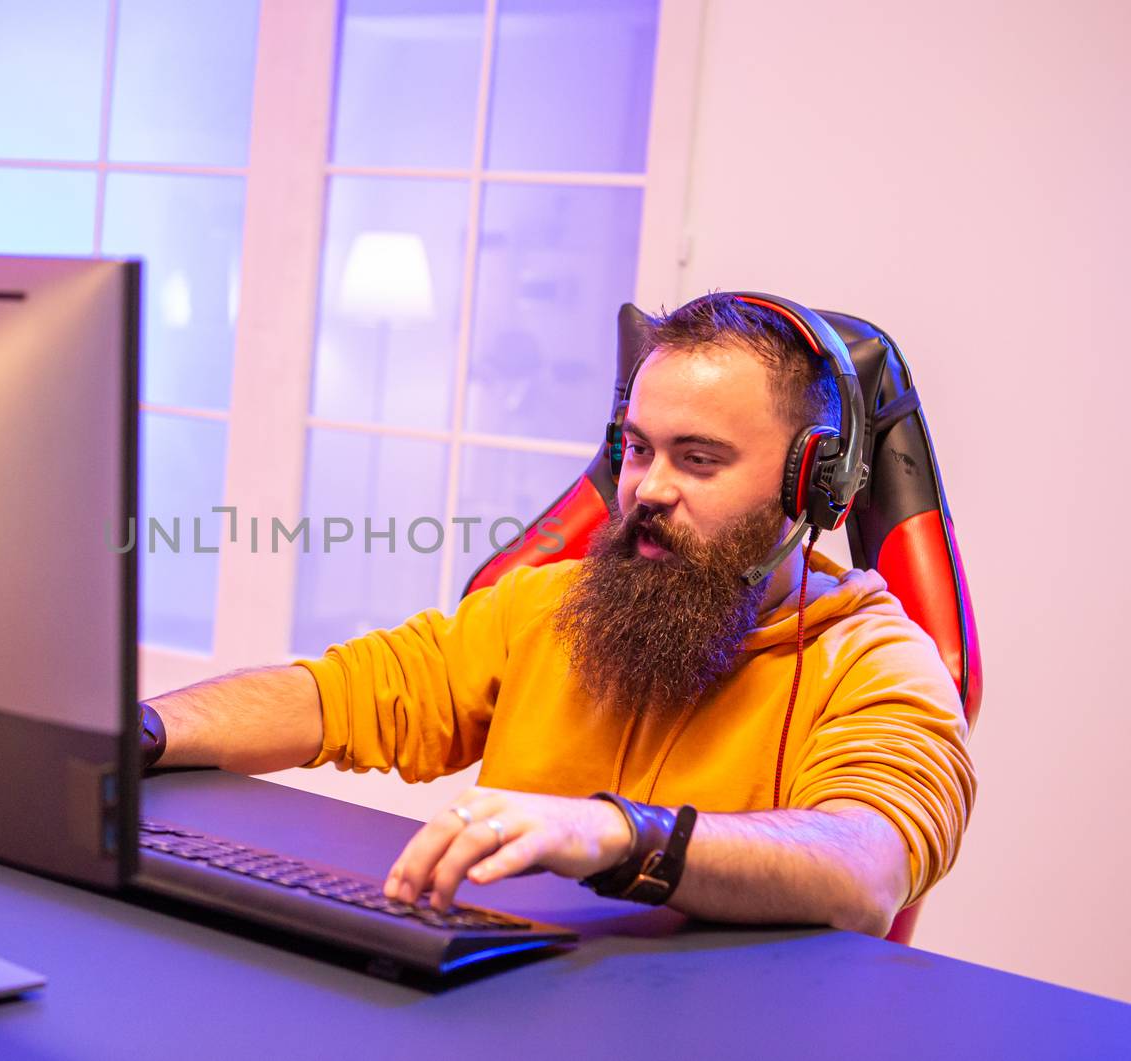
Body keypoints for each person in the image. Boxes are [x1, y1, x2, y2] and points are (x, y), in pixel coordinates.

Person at [142, 293, 975, 938]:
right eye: (639, 448)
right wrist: (141, 728)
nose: (646, 489)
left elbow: (865, 867)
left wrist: (616, 833)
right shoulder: (553, 603)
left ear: (809, 487)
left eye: (699, 459)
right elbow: (337, 694)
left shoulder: (881, 663)